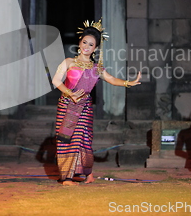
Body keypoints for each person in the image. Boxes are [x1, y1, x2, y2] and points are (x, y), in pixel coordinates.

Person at [51, 18, 141, 185]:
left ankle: (88, 174)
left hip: (84, 108)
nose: (86, 46)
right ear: (79, 42)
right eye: (84, 42)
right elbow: (56, 81)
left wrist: (128, 83)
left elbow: (112, 79)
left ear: (96, 48)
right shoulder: (68, 62)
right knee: (68, 140)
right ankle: (67, 177)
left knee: (84, 139)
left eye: (91, 44)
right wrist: (70, 93)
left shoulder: (96, 68)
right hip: (67, 106)